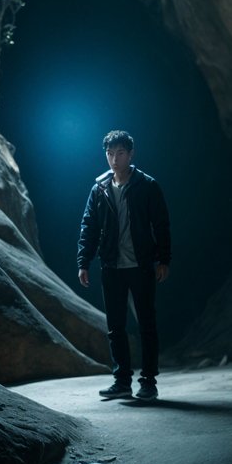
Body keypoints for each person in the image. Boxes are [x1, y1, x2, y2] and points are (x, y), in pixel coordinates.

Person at [77, 129, 171, 400]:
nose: (114, 159)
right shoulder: (100, 188)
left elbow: (162, 224)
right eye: (109, 153)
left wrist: (163, 259)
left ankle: (149, 382)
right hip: (111, 266)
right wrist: (84, 261)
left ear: (131, 154)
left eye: (119, 153)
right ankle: (121, 381)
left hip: (141, 265)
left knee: (146, 324)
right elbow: (89, 226)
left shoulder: (147, 186)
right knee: (115, 326)